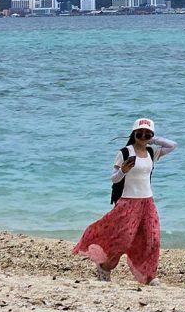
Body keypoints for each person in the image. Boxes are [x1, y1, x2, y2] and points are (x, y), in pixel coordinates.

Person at [73, 117, 177, 285]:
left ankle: (149, 276)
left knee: (153, 239)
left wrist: (154, 139)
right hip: (128, 202)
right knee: (123, 240)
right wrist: (123, 170)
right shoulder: (125, 153)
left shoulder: (151, 152)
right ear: (133, 134)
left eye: (147, 134)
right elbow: (114, 179)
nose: (143, 136)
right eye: (139, 133)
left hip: (147, 202)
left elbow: (172, 145)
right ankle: (105, 267)